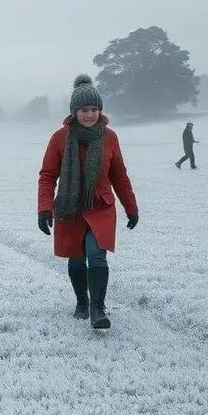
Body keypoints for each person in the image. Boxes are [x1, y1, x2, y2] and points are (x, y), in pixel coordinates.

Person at [38, 75, 139, 330]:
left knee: (96, 254)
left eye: (95, 109)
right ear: (74, 111)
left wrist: (131, 207)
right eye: (85, 109)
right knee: (75, 257)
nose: (90, 114)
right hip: (70, 208)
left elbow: (119, 174)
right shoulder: (60, 138)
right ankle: (82, 302)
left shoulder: (110, 137)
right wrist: (44, 208)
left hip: (99, 206)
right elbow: (48, 175)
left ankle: (97, 309)